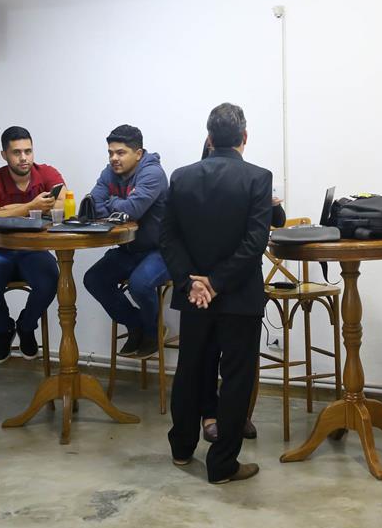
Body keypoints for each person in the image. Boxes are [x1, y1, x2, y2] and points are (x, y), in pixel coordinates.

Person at [163, 103, 272, 484]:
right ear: (244, 137)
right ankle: (222, 464)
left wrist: (193, 283)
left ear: (209, 138)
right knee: (237, 378)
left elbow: (169, 238)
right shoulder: (258, 178)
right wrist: (218, 282)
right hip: (239, 295)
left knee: (190, 370)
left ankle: (181, 449)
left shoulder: (181, 177)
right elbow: (255, 242)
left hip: (194, 297)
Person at [198, 140, 286, 443]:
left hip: (241, 279)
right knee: (209, 354)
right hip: (205, 282)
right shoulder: (195, 182)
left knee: (241, 359)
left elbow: (278, 221)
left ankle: (236, 415)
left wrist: (272, 203)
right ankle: (210, 415)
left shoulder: (252, 178)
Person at [0, 126, 65, 363]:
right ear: (4, 155)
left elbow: (63, 206)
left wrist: (6, 211)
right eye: (16, 152)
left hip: (34, 250)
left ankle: (26, 326)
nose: (24, 157)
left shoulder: (47, 173)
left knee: (50, 281)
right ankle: (4, 329)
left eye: (28, 151)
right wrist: (31, 207)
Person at [82, 125, 170, 358]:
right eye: (110, 153)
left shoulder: (153, 173)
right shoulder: (109, 172)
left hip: (161, 250)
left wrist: (111, 203)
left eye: (120, 153)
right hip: (129, 248)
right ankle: (136, 324)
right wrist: (118, 206)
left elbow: (132, 210)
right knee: (93, 280)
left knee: (139, 284)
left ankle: (152, 331)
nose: (114, 158)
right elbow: (92, 206)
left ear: (138, 154)